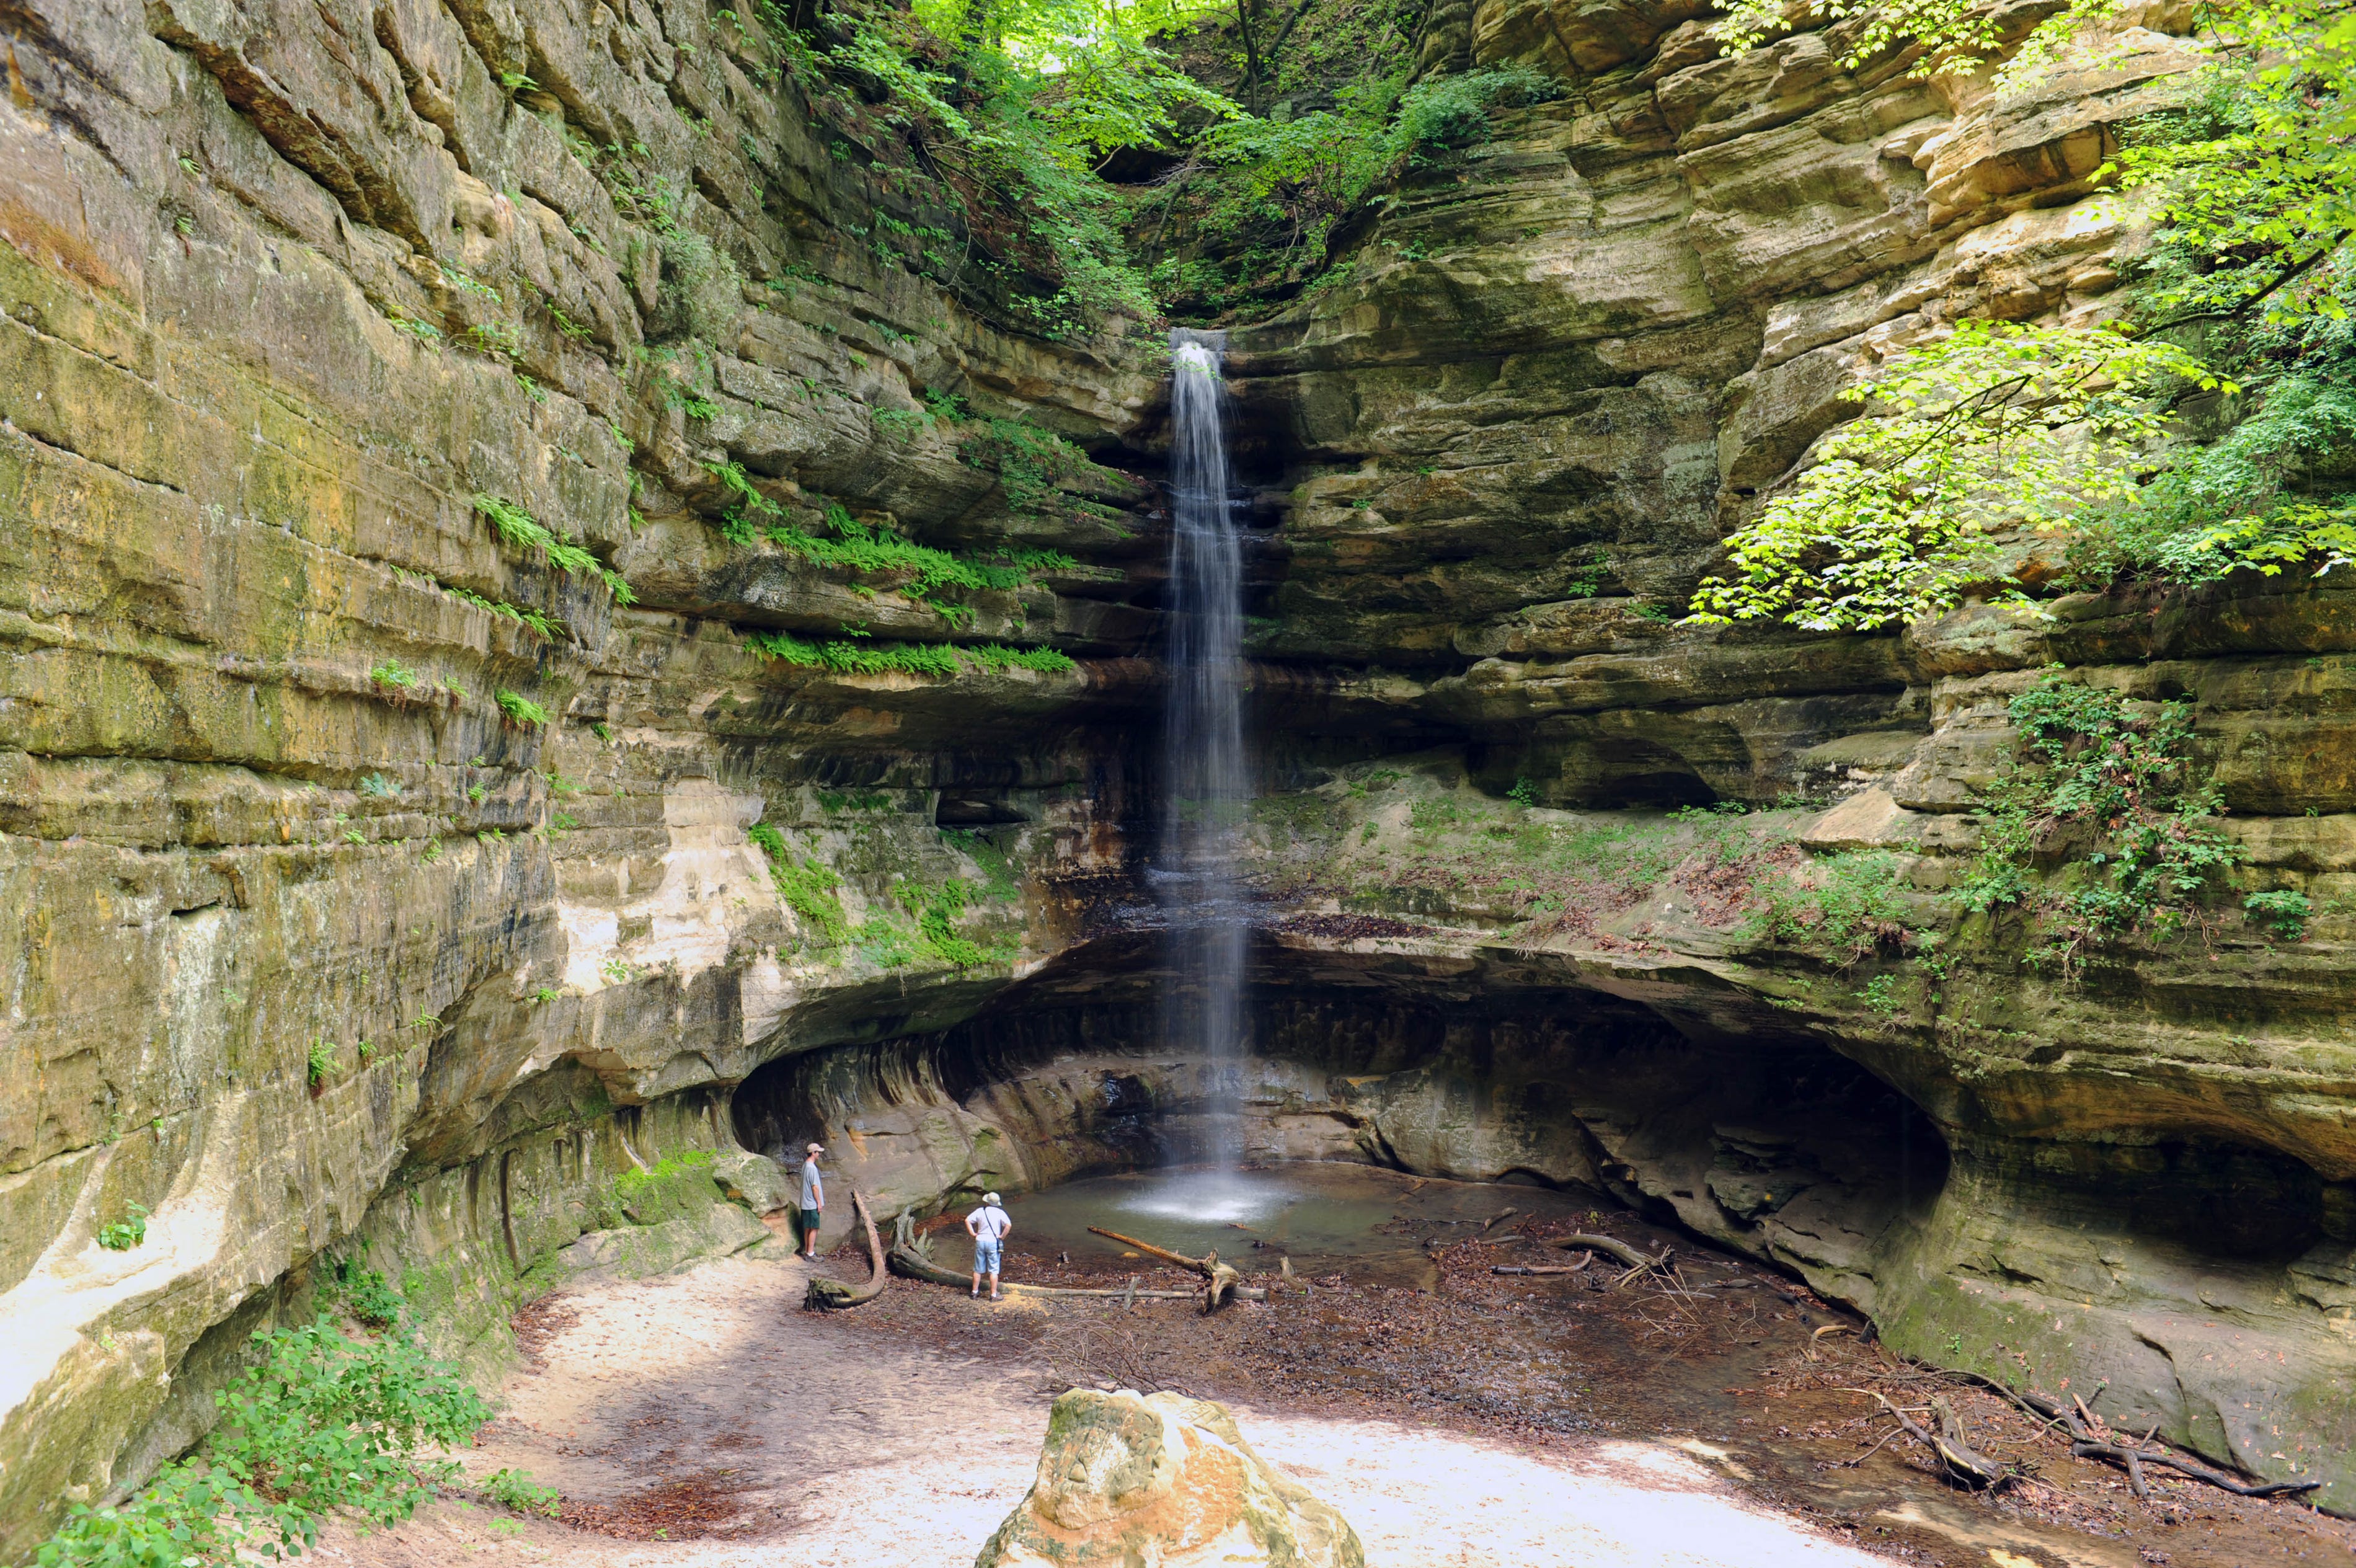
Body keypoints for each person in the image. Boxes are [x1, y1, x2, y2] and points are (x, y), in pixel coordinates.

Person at [966, 1190, 1012, 1300]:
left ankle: (974, 1292)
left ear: (987, 1202)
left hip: (981, 1240)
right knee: (994, 1269)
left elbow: (967, 1220)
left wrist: (973, 1233)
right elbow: (1008, 1225)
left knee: (978, 1268)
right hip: (993, 1241)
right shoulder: (1000, 1213)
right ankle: (993, 1295)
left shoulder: (980, 1211)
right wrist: (1002, 1236)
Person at [797, 1142, 825, 1260]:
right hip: (812, 1204)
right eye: (818, 1152)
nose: (819, 1154)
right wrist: (819, 1202)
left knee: (807, 1227)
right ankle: (810, 1253)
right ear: (813, 1153)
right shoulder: (812, 1168)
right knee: (814, 1228)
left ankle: (807, 1251)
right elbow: (815, 1187)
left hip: (805, 1203)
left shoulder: (805, 1165)